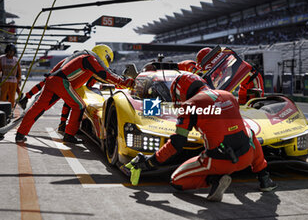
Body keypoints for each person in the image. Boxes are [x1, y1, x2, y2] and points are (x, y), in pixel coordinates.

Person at [131, 72, 276, 202]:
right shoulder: (229, 95)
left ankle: (215, 179)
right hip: (246, 156)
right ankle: (264, 178)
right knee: (249, 132)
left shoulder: (189, 105)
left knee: (176, 180)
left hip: (217, 161)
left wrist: (150, 162)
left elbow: (177, 143)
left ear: (179, 92)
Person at [15, 44, 134, 143]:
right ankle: (69, 135)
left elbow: (99, 78)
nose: (107, 62)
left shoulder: (75, 58)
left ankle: (20, 134)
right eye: (108, 59)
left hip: (53, 81)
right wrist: (125, 82)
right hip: (63, 82)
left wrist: (119, 82)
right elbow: (105, 74)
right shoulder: (90, 59)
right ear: (104, 55)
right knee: (79, 105)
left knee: (37, 109)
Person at [196, 47, 264, 104]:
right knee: (242, 105)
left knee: (255, 105)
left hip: (252, 79)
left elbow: (221, 82)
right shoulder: (217, 67)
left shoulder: (225, 62)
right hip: (243, 85)